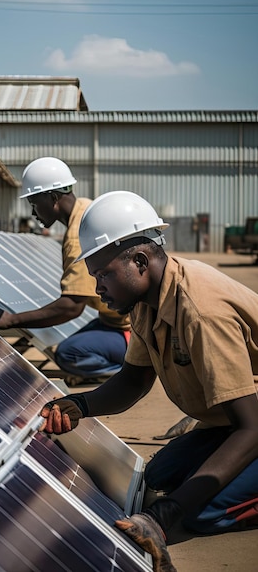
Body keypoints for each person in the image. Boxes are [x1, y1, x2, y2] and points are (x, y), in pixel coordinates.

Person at [39, 190, 258, 572]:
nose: (98, 288)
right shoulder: (145, 303)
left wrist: (163, 517)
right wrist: (81, 405)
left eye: (104, 274)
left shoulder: (201, 313)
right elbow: (134, 381)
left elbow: (251, 428)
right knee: (158, 478)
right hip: (238, 418)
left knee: (195, 514)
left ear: (140, 261)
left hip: (251, 420)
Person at [0, 157, 131, 381]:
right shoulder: (86, 209)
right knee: (74, 344)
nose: (34, 213)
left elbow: (71, 307)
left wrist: (11, 320)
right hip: (118, 321)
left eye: (35, 204)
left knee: (68, 354)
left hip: (133, 331)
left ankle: (133, 369)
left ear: (54, 198)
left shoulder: (78, 238)